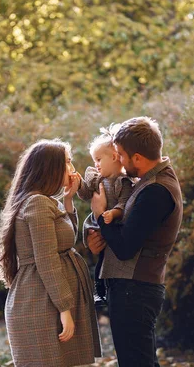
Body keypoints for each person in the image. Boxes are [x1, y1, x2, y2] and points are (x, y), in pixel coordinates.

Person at [0, 139, 101, 367]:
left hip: (48, 298)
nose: (73, 170)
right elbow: (47, 259)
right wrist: (65, 308)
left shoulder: (46, 201)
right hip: (42, 302)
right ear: (51, 168)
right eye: (68, 163)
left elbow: (66, 239)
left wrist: (69, 199)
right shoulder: (37, 204)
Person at [88, 117, 183, 367]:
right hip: (135, 288)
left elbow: (125, 248)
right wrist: (101, 238)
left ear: (138, 158)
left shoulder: (155, 191)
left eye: (120, 154)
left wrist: (100, 214)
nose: (117, 159)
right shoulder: (148, 183)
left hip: (135, 290)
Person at [76, 125, 134, 306]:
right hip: (98, 225)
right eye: (95, 160)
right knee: (99, 259)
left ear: (115, 157)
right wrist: (78, 184)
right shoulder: (98, 179)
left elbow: (124, 204)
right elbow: (86, 194)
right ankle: (98, 292)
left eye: (99, 159)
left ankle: (101, 292)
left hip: (112, 224)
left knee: (105, 261)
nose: (96, 164)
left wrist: (113, 212)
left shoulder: (123, 182)